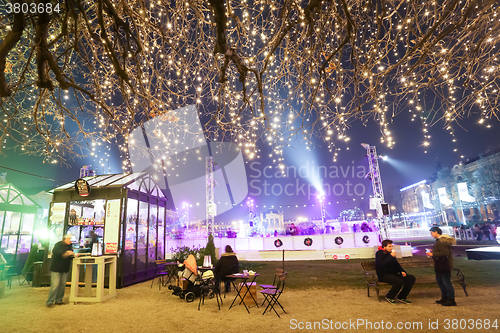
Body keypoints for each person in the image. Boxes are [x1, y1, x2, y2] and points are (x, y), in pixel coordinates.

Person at [375, 239, 416, 304]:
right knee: (399, 281)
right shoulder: (379, 253)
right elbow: (382, 264)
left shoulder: (390, 254)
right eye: (389, 246)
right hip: (384, 275)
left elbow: (396, 264)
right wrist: (391, 256)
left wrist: (402, 271)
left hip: (393, 274)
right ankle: (389, 296)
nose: (391, 248)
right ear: (384, 247)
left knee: (411, 278)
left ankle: (402, 296)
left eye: (391, 246)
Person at [427, 226, 457, 306]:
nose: (431, 234)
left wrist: (433, 254)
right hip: (440, 264)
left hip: (444, 264)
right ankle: (445, 297)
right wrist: (433, 252)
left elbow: (445, 253)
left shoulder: (442, 241)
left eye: (432, 233)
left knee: (446, 282)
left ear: (436, 232)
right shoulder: (440, 241)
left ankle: (451, 299)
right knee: (440, 281)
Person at [46, 235, 78, 307]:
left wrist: (73, 255)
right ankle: (50, 301)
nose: (71, 241)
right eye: (70, 239)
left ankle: (59, 300)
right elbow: (57, 253)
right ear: (66, 238)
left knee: (62, 285)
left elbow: (69, 255)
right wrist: (67, 253)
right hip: (56, 268)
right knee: (55, 285)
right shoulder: (59, 245)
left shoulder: (70, 246)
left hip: (65, 268)